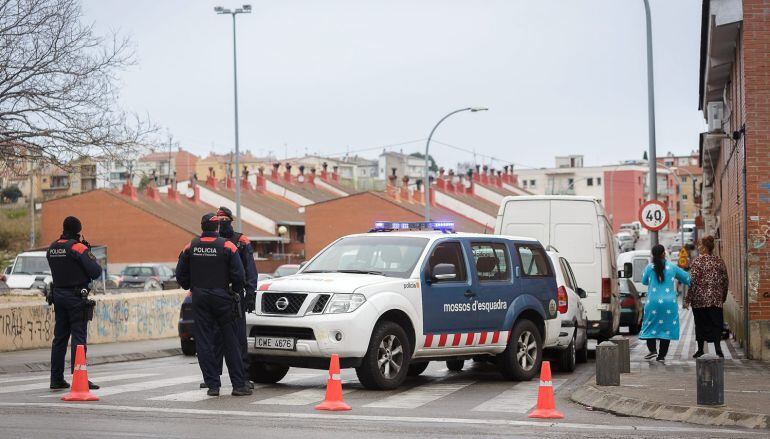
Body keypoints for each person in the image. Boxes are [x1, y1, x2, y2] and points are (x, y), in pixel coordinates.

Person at [176, 213, 251, 396]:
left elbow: (180, 274)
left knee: (204, 341)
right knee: (231, 341)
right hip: (223, 298)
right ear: (217, 227)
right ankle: (239, 385)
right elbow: (240, 276)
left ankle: (213, 385)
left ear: (202, 226)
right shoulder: (227, 246)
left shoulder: (191, 246)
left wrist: (191, 286)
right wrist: (234, 291)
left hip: (200, 298)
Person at [197, 206, 257, 390]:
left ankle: (243, 377)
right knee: (214, 340)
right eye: (219, 222)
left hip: (234, 297)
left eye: (225, 222)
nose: (221, 225)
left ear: (231, 221)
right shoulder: (211, 242)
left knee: (237, 340)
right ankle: (212, 377)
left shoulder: (241, 241)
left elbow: (249, 270)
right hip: (217, 296)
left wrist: (250, 294)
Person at [46, 216, 103, 390]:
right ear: (78, 230)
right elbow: (96, 271)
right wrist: (87, 251)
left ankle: (56, 379)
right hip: (75, 297)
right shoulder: (77, 247)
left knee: (60, 338)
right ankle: (80, 377)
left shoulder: (52, 247)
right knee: (78, 337)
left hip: (58, 295)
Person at [640, 244, 691, 364]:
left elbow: (644, 281)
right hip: (669, 303)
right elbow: (687, 279)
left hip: (652, 302)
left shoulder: (649, 268)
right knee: (666, 329)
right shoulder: (672, 267)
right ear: (664, 254)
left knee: (650, 326)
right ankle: (661, 356)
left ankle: (652, 350)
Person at [685, 236, 729, 358]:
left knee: (700, 324)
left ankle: (700, 349)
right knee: (716, 324)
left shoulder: (697, 262)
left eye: (700, 245)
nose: (698, 248)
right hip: (715, 299)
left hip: (699, 300)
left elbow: (692, 282)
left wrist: (688, 299)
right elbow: (725, 281)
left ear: (704, 248)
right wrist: (723, 297)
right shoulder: (719, 261)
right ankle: (718, 349)